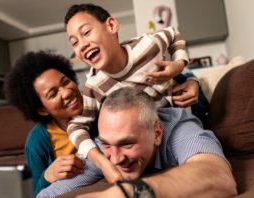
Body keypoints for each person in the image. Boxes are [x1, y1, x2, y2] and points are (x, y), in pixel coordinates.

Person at [64, 3, 207, 183]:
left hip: (178, 117)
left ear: (111, 26)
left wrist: (178, 65)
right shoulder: (94, 86)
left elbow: (173, 34)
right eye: (74, 42)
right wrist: (103, 163)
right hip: (144, 138)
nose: (82, 44)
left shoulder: (147, 45)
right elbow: (76, 126)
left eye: (86, 32)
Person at [78, 87, 237, 197]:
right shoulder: (105, 144)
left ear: (157, 133)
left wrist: (128, 193)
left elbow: (219, 177)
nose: (115, 159)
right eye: (106, 144)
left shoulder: (180, 129)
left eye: (127, 144)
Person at [4, 51, 103, 197]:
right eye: (53, 94)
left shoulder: (101, 107)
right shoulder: (37, 140)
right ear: (42, 110)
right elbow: (37, 193)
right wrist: (48, 176)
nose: (66, 93)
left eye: (65, 82)